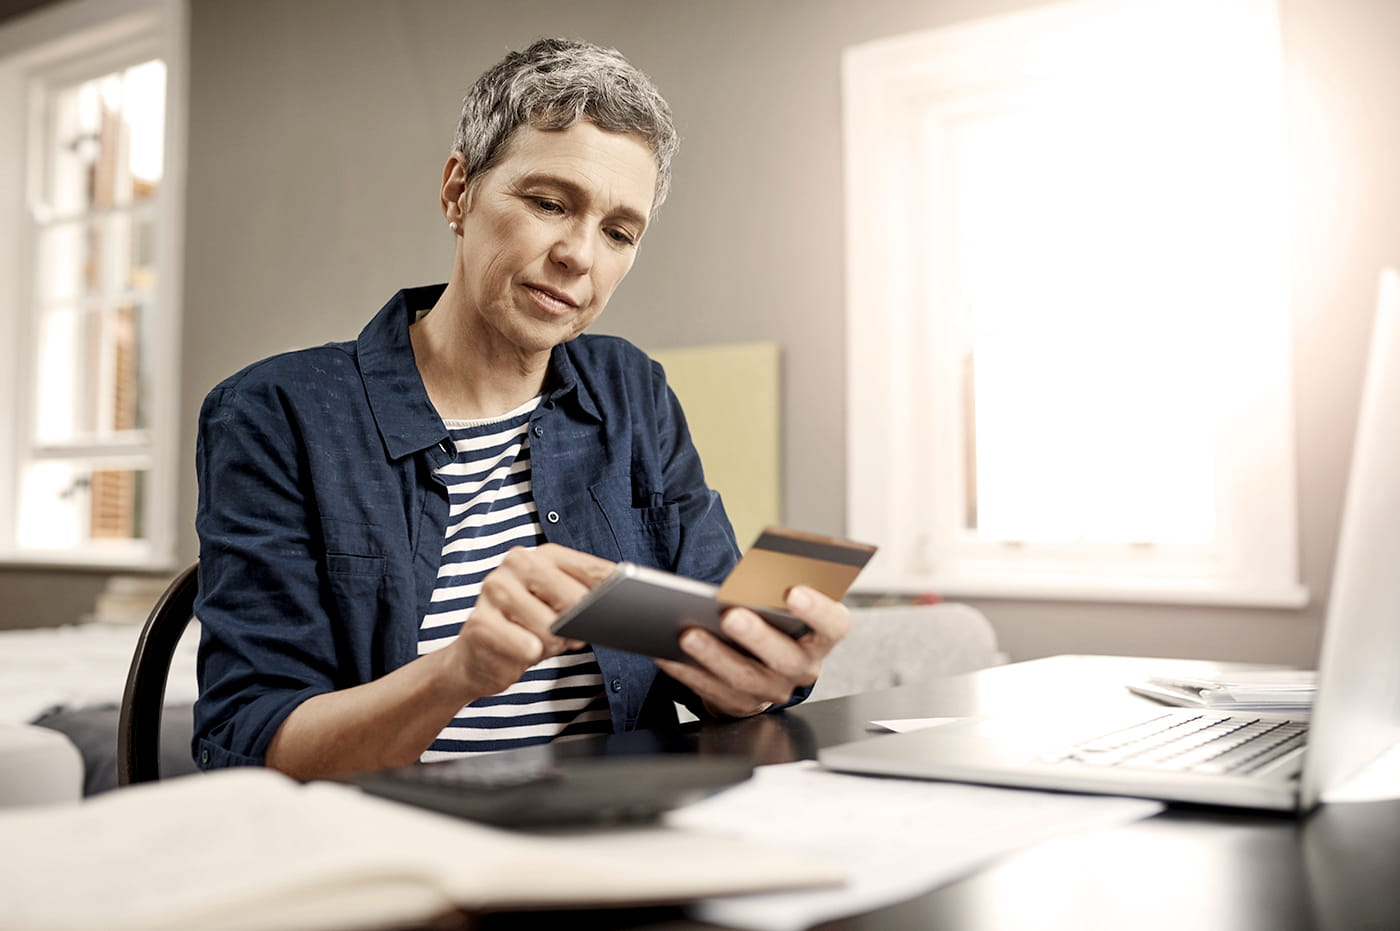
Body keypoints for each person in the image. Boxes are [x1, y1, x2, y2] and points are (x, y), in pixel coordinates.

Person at [192, 37, 850, 780]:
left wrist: (768, 673)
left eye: (618, 231)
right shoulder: (276, 414)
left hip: (620, 830)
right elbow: (251, 740)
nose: (579, 255)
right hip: (394, 847)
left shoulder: (631, 390)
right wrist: (458, 672)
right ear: (458, 193)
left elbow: (716, 654)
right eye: (548, 202)